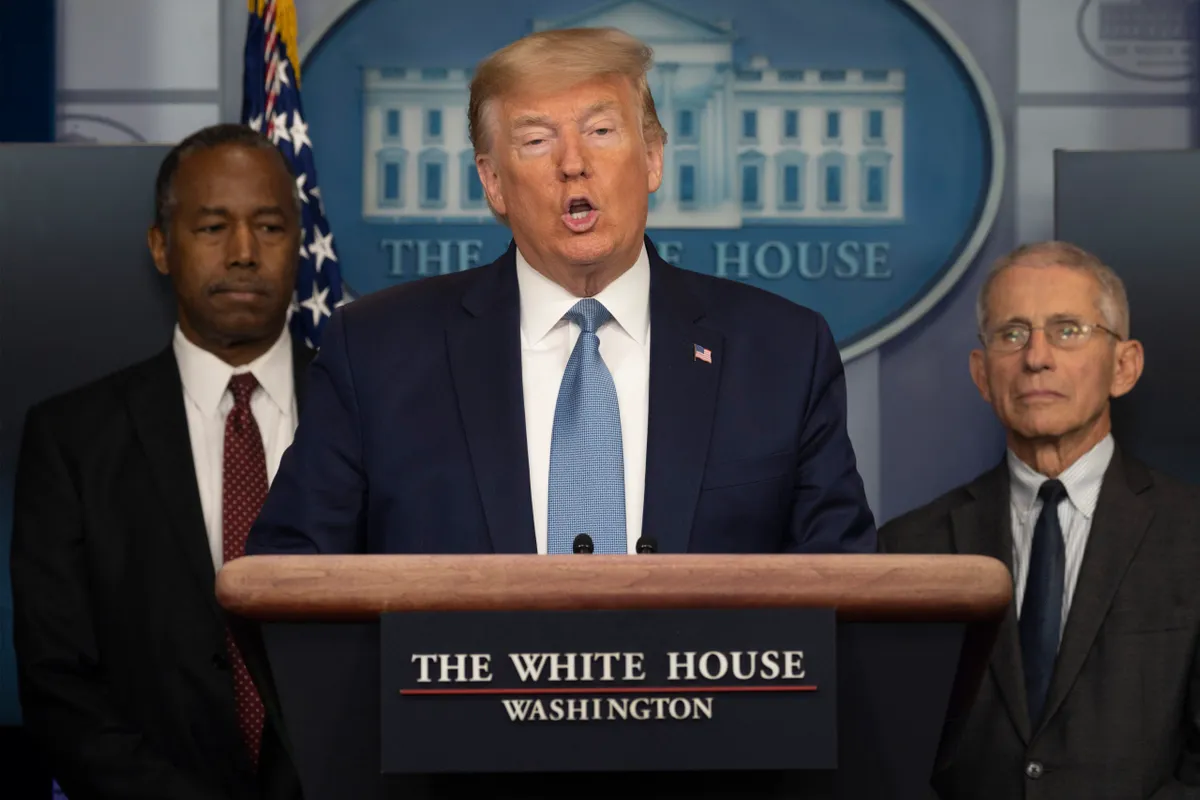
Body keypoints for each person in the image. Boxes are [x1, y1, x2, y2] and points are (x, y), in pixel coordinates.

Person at [248, 27, 874, 557]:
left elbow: (845, 594)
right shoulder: (376, 353)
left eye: (601, 131)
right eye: (536, 140)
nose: (573, 163)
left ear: (653, 158)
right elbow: (288, 581)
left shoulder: (783, 353)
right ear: (493, 182)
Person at [11, 124, 309, 799]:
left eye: (269, 227)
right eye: (212, 228)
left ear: (298, 242)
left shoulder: (373, 418)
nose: (243, 253)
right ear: (160, 246)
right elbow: (57, 681)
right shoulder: (71, 441)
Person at [880, 241, 1200, 799]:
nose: (1036, 357)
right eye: (1012, 334)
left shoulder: (1192, 537)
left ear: (1124, 367)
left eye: (1067, 330)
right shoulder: (908, 549)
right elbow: (886, 754)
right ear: (982, 374)